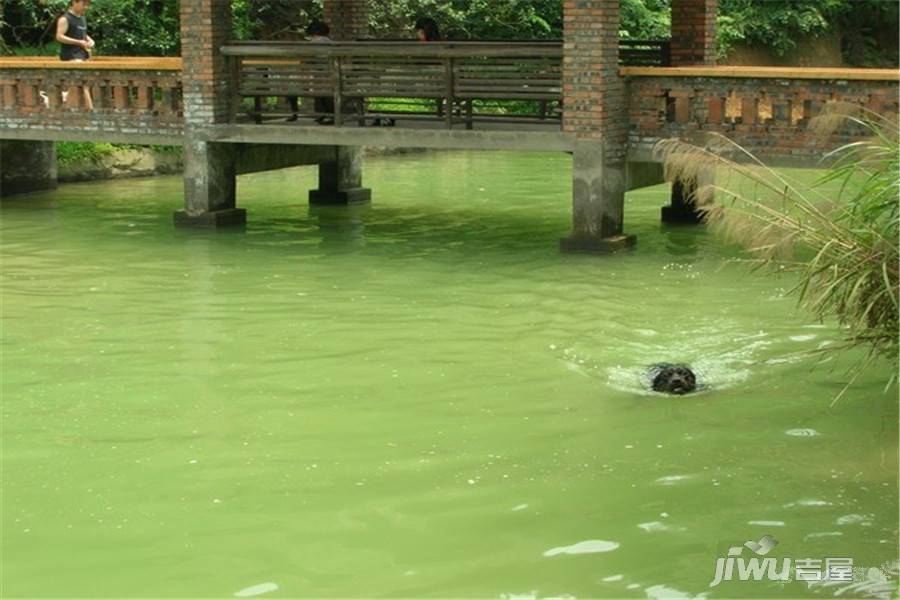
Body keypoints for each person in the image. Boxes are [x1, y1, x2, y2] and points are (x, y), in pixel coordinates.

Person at [56, 0, 94, 110]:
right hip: (71, 55)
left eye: (87, 4)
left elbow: (83, 34)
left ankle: (67, 108)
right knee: (81, 83)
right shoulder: (65, 19)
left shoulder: (82, 19)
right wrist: (78, 42)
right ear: (74, 2)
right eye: (84, 4)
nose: (86, 7)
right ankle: (90, 112)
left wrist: (90, 40)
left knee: (83, 84)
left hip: (84, 55)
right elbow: (59, 36)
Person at [303, 20, 334, 124]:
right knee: (325, 89)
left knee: (319, 88)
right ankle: (330, 115)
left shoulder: (314, 42)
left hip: (320, 75)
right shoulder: (331, 42)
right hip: (332, 74)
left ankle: (321, 114)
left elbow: (306, 58)